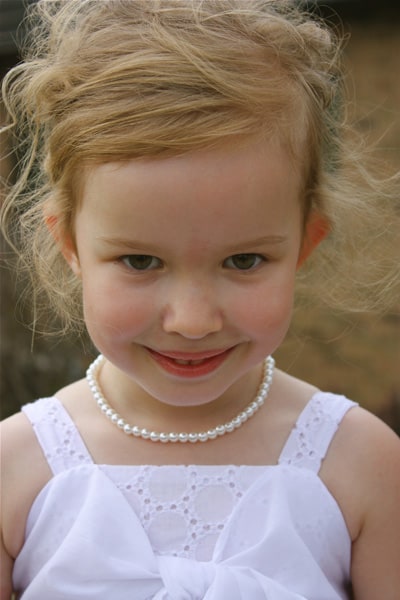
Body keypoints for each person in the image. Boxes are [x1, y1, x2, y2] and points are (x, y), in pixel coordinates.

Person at [1, 1, 399, 598]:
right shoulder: (15, 469)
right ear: (70, 245)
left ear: (304, 244)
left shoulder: (363, 464)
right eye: (140, 261)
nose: (191, 321)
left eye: (243, 261)